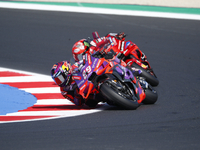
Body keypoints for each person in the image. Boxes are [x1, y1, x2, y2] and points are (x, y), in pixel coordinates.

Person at [72, 31, 147, 63]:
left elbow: (106, 37)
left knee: (128, 44)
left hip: (113, 53)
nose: (81, 58)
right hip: (109, 65)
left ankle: (142, 58)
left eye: (81, 55)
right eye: (79, 57)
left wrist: (117, 35)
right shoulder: (84, 64)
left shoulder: (94, 43)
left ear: (86, 48)